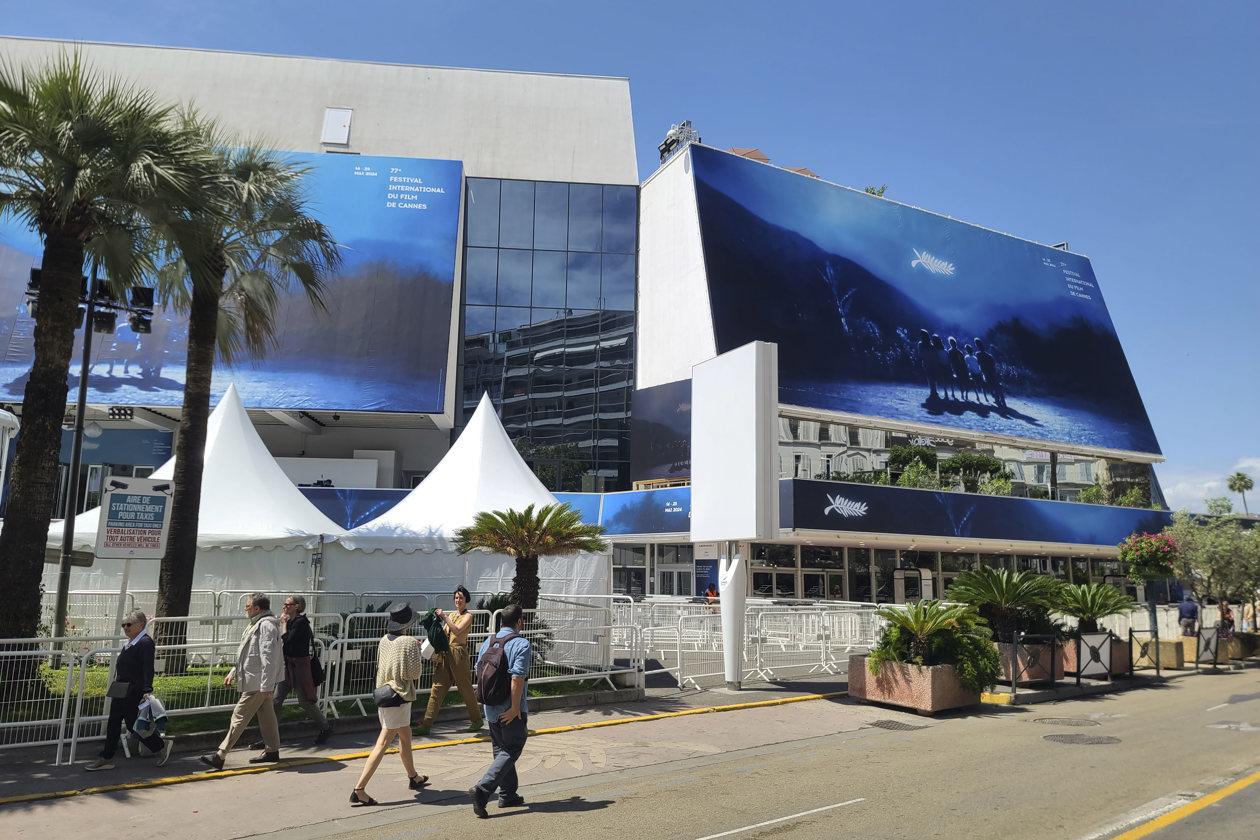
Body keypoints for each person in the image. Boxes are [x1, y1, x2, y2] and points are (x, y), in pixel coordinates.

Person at [350, 604, 429, 806]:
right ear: (408, 623)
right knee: (383, 742)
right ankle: (359, 789)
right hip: (400, 695)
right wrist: (418, 652)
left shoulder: (384, 639)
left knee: (405, 734)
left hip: (385, 692)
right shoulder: (410, 642)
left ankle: (413, 776)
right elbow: (415, 674)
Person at [199, 593, 285, 771]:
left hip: (258, 683)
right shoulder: (257, 624)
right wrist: (233, 671)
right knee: (267, 716)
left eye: (247, 606)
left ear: (257, 608)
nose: (245, 608)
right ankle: (272, 751)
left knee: (239, 716)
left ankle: (220, 755)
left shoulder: (266, 625)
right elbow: (247, 653)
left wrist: (267, 685)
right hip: (258, 681)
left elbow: (269, 657)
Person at [85, 610, 174, 770]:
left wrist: (147, 689)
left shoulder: (145, 643)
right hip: (121, 688)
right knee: (113, 722)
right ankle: (106, 756)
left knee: (134, 724)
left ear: (140, 625)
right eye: (123, 625)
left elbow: (148, 667)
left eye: (129, 624)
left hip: (134, 689)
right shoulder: (130, 643)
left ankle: (160, 746)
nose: (125, 627)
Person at [469, 604, 532, 818]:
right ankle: (483, 789)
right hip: (509, 708)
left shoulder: (489, 641)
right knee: (512, 748)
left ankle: (507, 794)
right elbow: (517, 678)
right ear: (520, 622)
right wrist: (515, 708)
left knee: (501, 749)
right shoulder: (521, 644)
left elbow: (479, 671)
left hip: (490, 707)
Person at [253, 595, 332, 747]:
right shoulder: (288, 621)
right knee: (275, 701)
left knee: (305, 702)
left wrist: (283, 625)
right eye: (284, 604)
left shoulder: (301, 623)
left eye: (288, 604)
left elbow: (288, 640)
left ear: (297, 606)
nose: (284, 607)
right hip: (287, 666)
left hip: (299, 667)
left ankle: (325, 727)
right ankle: (270, 737)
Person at [416, 586, 484, 736]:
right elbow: (444, 634)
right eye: (456, 598)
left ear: (466, 600)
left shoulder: (468, 616)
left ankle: (477, 719)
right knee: (437, 688)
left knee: (465, 688)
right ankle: (426, 724)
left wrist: (444, 617)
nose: (458, 600)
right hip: (446, 653)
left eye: (461, 598)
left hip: (458, 653)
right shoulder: (452, 614)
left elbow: (458, 630)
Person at [974, 339, 1005, 408]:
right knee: (995, 384)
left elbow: (979, 363)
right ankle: (999, 399)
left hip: (985, 372)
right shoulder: (989, 355)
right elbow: (993, 364)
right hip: (992, 371)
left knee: (990, 385)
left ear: (977, 346)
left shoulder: (977, 354)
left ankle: (996, 399)